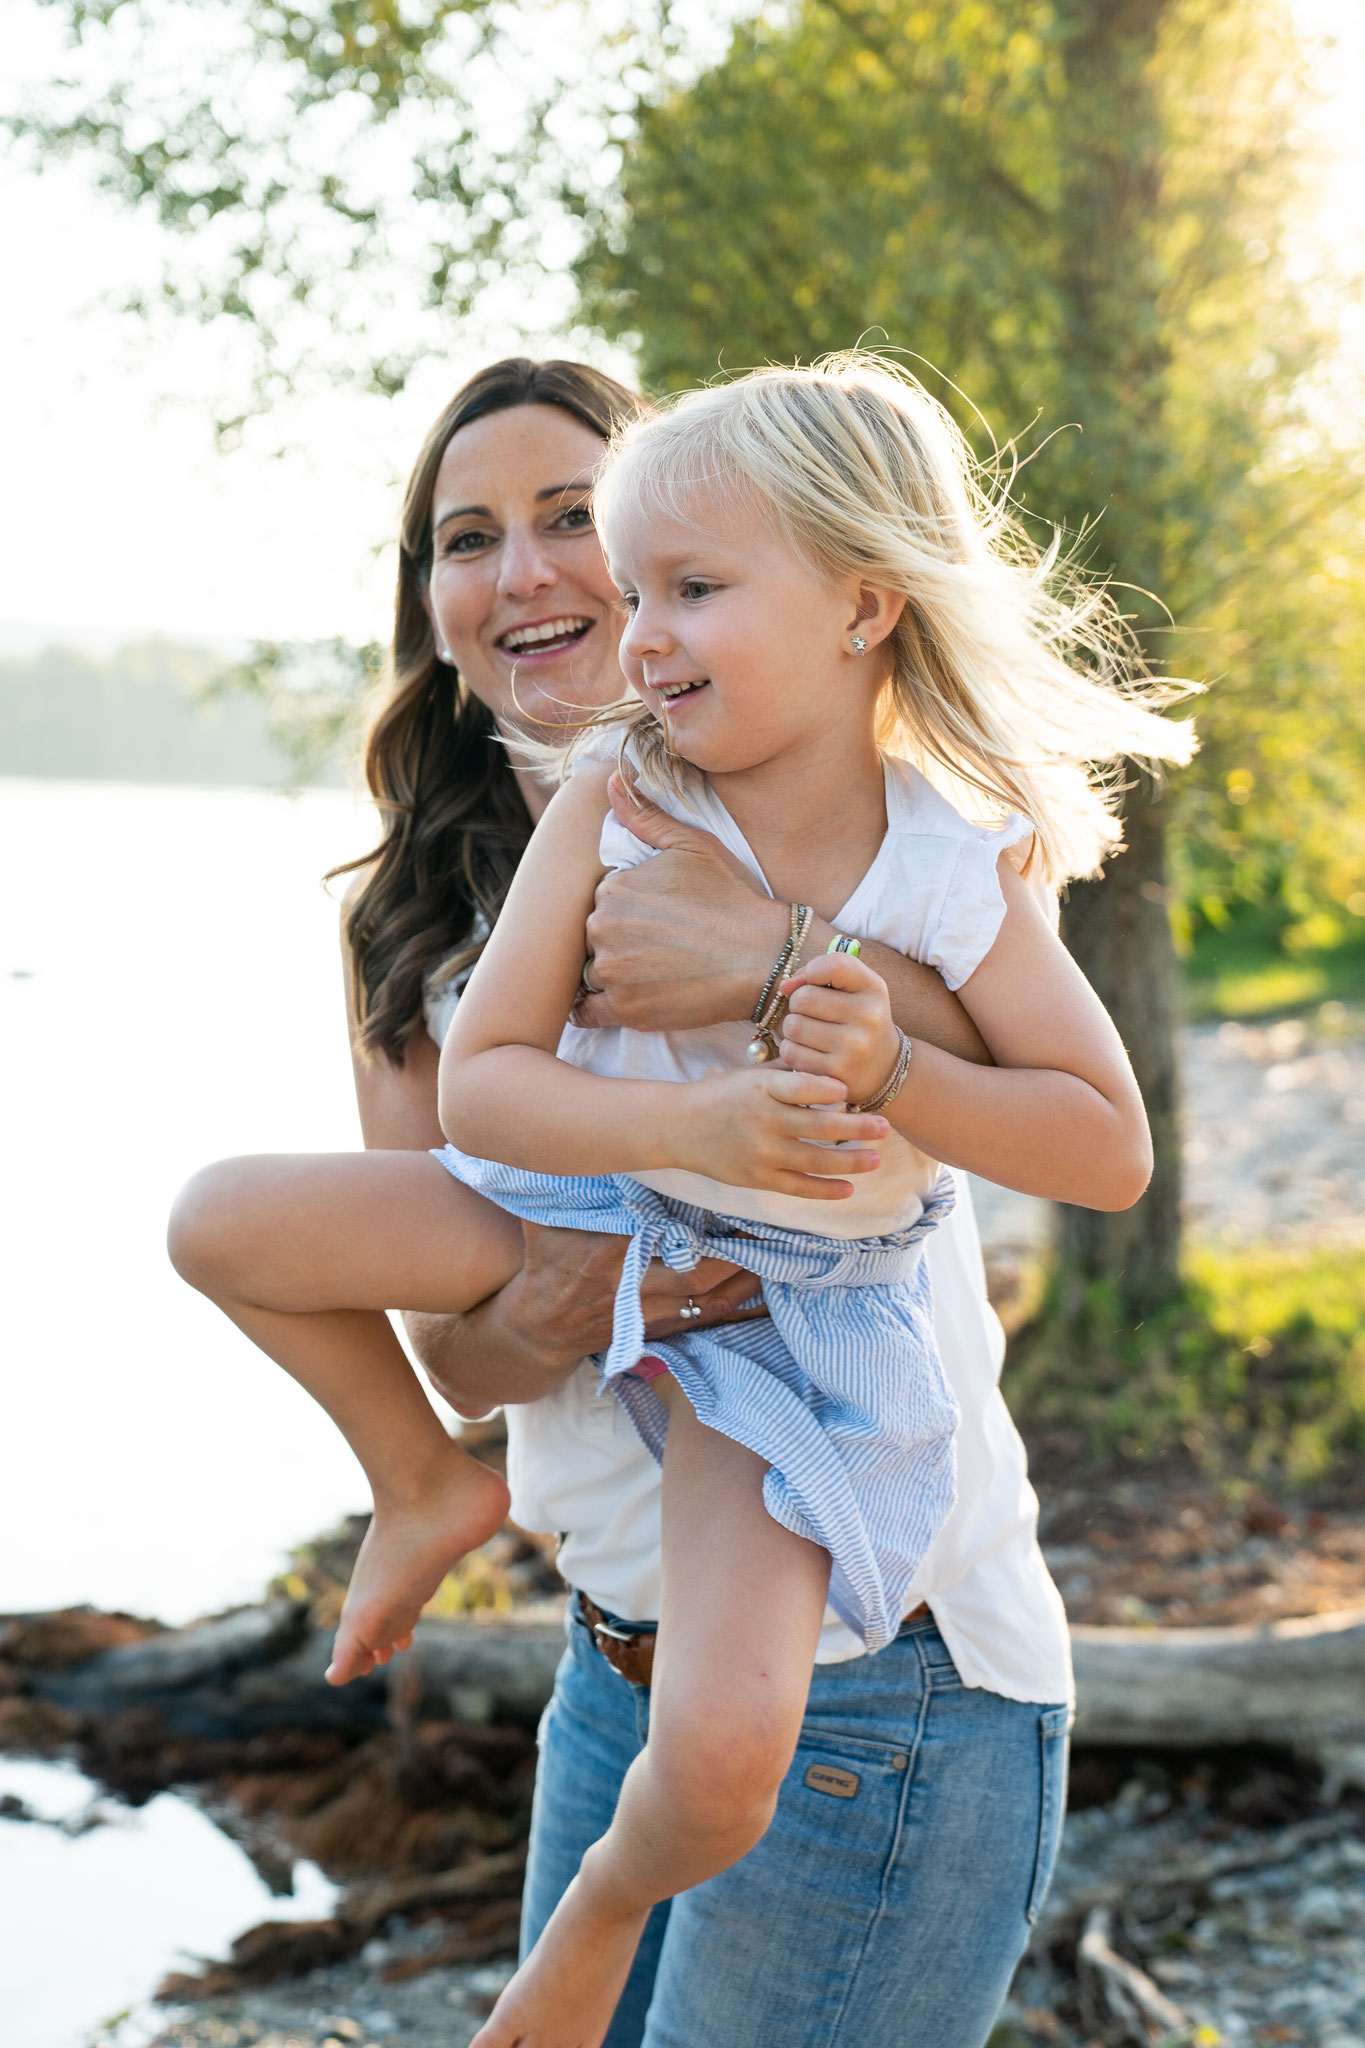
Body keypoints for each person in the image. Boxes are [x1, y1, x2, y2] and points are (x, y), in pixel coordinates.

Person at [170, 355, 1193, 2048]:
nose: (598, 605)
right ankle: (417, 1499)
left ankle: (588, 1925)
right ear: (425, 600)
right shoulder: (560, 830)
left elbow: (1095, 1141)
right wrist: (681, 1160)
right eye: (469, 539)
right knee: (220, 1216)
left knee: (726, 1755)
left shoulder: (941, 855)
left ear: (861, 603)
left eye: (622, 548)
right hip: (603, 1577)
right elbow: (475, 1289)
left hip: (865, 1580)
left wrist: (840, 1024)